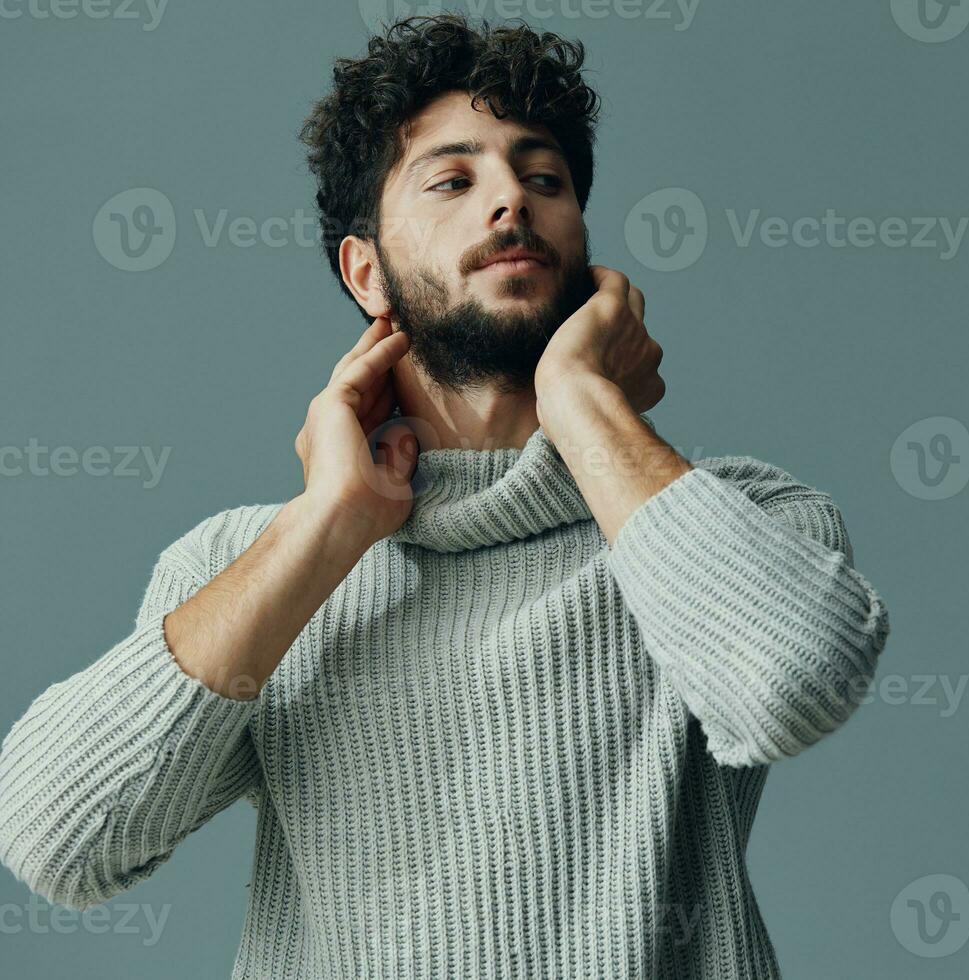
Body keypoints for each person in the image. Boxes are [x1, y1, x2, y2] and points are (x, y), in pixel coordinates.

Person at [0, 14, 891, 978]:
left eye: (542, 178)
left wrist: (582, 401)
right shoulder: (254, 562)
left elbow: (795, 688)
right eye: (454, 180)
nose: (511, 199)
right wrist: (328, 525)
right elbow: (55, 838)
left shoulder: (729, 519)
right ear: (367, 271)